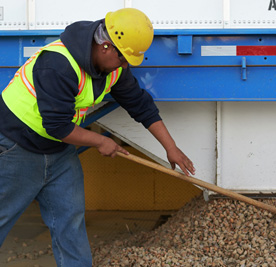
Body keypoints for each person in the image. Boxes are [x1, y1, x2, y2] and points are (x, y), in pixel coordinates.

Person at [0, 8, 195, 266]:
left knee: (70, 223)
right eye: (124, 58)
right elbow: (57, 125)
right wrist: (100, 141)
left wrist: (171, 148)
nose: (126, 65)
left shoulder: (113, 68)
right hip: (18, 149)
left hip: (60, 153)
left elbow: (140, 105)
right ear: (105, 46)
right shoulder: (57, 63)